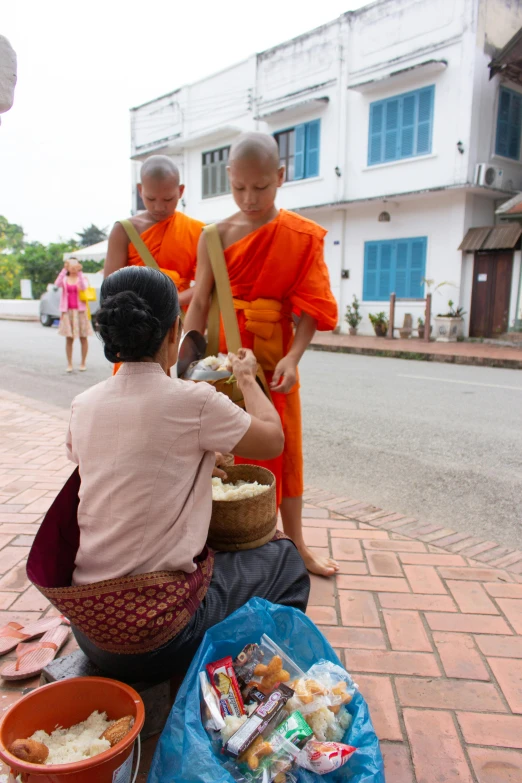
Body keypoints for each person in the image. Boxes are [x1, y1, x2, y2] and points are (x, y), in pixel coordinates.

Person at [29, 266, 309, 682]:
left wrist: (190, 458)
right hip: (158, 642)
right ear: (175, 331)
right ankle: (248, 678)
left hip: (93, 630)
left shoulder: (83, 404)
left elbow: (108, 458)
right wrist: (249, 378)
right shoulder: (193, 401)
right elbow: (271, 441)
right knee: (285, 560)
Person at [184, 132, 339, 578]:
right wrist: (187, 365)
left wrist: (294, 357)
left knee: (286, 456)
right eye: (240, 188)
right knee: (216, 457)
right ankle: (213, 543)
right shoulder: (213, 236)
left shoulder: (301, 236)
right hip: (220, 366)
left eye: (261, 187)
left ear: (280, 177)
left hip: (273, 366)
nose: (250, 198)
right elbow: (198, 302)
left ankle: (297, 545)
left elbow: (311, 306)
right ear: (229, 179)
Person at [103, 154, 204, 309]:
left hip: (178, 319)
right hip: (134, 319)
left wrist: (171, 301)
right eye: (150, 199)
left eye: (168, 199)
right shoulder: (124, 231)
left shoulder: (197, 230)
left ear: (181, 191)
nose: (159, 207)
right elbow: (111, 288)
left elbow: (205, 284)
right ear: (140, 189)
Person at [55, 258, 92, 372]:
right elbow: (57, 284)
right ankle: (69, 364)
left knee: (83, 337)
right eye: (71, 266)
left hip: (81, 311)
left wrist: (80, 273)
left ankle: (83, 363)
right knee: (69, 338)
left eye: (75, 266)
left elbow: (84, 287)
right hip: (68, 312)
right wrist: (63, 270)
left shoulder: (82, 278)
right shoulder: (65, 279)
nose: (74, 269)